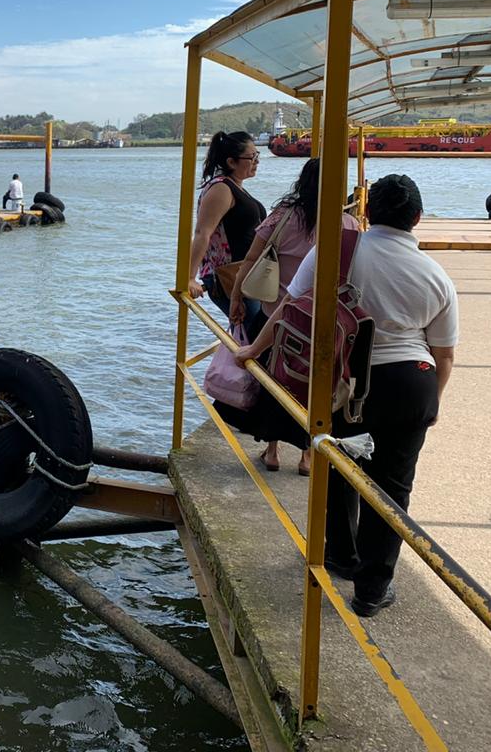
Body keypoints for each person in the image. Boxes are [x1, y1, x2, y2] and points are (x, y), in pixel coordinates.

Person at [237, 174, 457, 617]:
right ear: (417, 218)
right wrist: (433, 401)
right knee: (393, 485)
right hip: (411, 381)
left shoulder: (336, 249)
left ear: (368, 212)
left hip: (347, 381)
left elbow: (287, 307)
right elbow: (444, 352)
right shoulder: (436, 275)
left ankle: (339, 555)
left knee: (340, 464)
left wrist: (252, 351)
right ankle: (372, 590)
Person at [229, 158, 360, 474]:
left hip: (278, 317)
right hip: (322, 320)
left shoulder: (282, 216)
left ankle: (272, 452)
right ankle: (307, 457)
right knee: (314, 387)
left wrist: (236, 296)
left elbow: (251, 258)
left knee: (275, 383)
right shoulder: (347, 224)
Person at [186, 131, 266, 336]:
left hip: (246, 275)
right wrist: (189, 278)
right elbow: (203, 232)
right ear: (231, 162)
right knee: (252, 334)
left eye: (257, 155)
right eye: (251, 158)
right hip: (229, 277)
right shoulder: (221, 189)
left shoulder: (236, 187)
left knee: (253, 335)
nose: (256, 162)